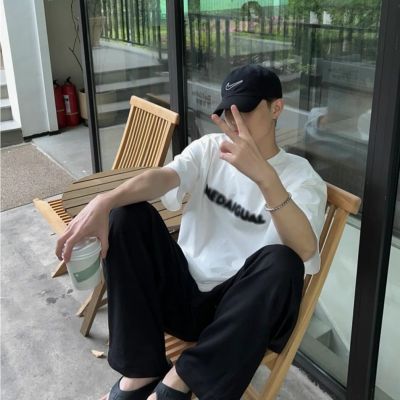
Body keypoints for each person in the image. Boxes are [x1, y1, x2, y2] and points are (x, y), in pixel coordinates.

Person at [56, 64, 327, 400]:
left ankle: (178, 381)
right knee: (126, 215)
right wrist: (105, 200)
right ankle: (141, 372)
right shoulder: (212, 148)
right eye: (226, 112)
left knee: (283, 262)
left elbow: (304, 250)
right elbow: (163, 177)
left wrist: (265, 178)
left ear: (276, 108)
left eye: (243, 110)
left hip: (238, 317)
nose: (233, 122)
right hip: (184, 296)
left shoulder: (302, 178)